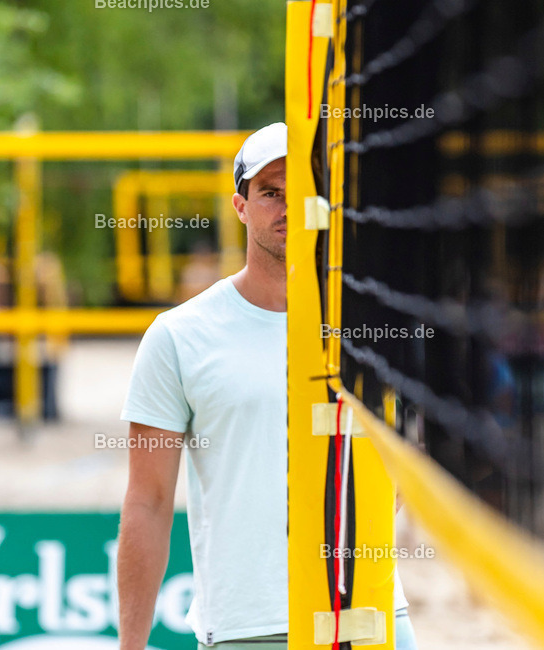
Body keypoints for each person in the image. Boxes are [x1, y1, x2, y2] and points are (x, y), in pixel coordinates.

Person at [116, 123, 415, 650]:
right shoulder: (179, 336)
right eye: (270, 192)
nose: (286, 206)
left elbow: (404, 466)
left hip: (370, 618)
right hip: (250, 628)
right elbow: (148, 500)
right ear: (240, 205)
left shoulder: (372, 326)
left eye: (301, 191)